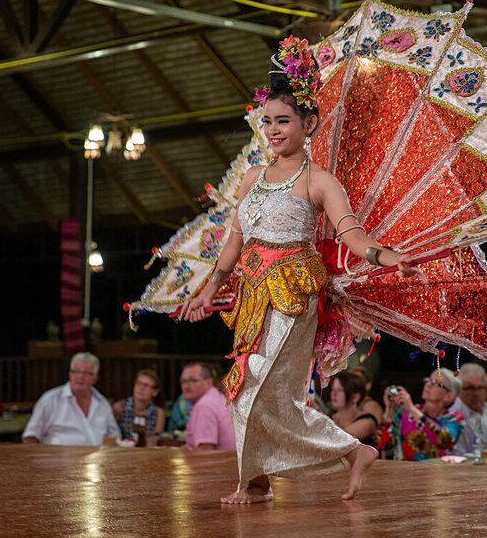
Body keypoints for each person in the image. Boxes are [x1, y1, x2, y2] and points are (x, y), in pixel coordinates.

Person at [180, 36, 420, 504]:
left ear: (309, 124)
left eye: (283, 121)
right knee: (249, 388)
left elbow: (353, 235)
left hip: (294, 294)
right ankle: (263, 479)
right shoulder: (251, 177)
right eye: (266, 121)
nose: (272, 130)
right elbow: (234, 240)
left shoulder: (320, 182)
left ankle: (339, 455)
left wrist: (386, 256)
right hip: (252, 294)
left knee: (259, 388)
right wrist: (210, 289)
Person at [22, 352, 120, 446]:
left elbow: (114, 437)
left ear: (95, 378)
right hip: (58, 461)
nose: (80, 377)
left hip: (97, 460)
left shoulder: (102, 403)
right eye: (76, 371)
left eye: (86, 373)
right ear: (70, 374)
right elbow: (30, 437)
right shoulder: (50, 399)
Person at [377, 368, 464, 461]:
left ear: (449, 396)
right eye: (428, 380)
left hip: (438, 473)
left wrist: (411, 409)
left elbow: (444, 440)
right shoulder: (405, 412)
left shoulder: (454, 418)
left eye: (435, 383)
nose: (428, 384)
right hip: (405, 472)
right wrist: (390, 409)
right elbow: (384, 446)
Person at [449, 363, 487, 454]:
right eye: (470, 388)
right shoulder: (453, 416)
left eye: (480, 388)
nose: (476, 393)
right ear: (459, 389)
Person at [182, 362, 235, 451]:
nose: (186, 386)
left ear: (208, 382)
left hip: (220, 463)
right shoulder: (216, 398)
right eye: (183, 381)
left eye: (193, 380)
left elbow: (205, 450)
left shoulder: (205, 405)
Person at [112, 369, 165, 444]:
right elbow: (111, 436)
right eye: (138, 384)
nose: (141, 388)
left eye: (146, 385)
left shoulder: (159, 413)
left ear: (155, 392)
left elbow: (157, 441)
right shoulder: (119, 407)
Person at [329, 371, 378, 446]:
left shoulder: (368, 420)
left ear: (355, 397)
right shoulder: (329, 418)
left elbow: (341, 440)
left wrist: (316, 409)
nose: (334, 393)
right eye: (333, 389)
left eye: (340, 390)